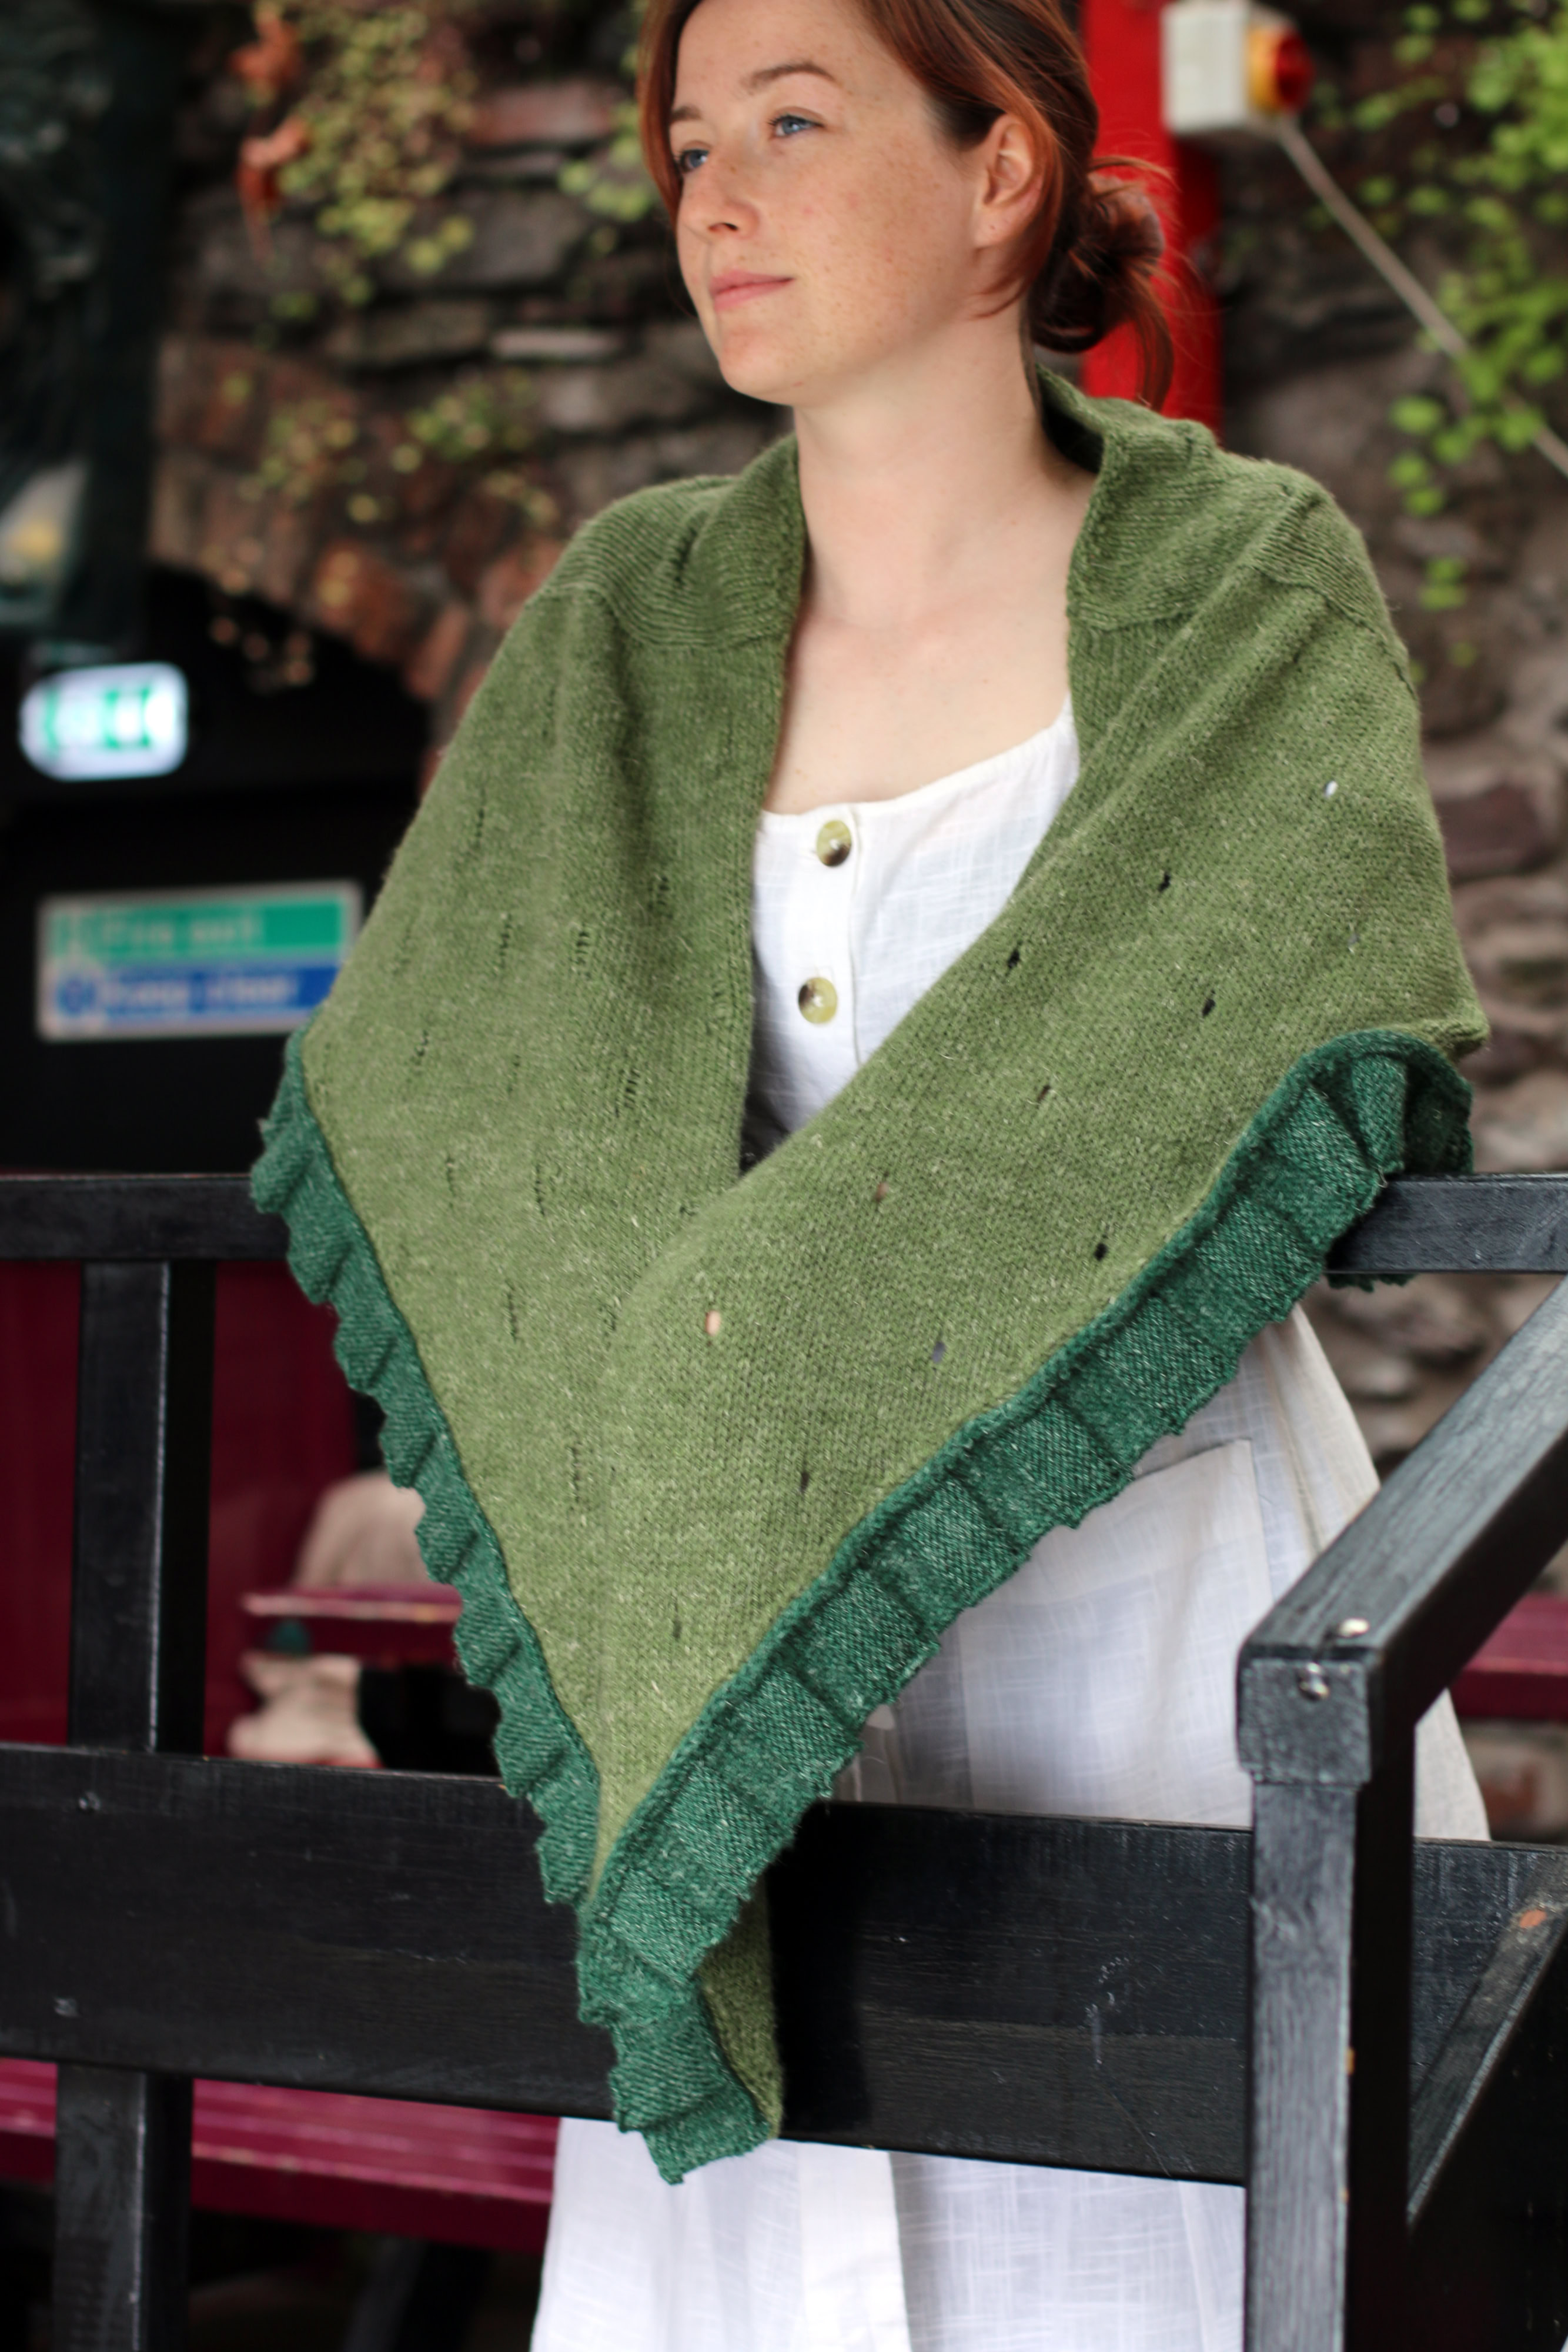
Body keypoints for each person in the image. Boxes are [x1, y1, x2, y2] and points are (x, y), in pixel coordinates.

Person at [252, 0, 1490, 2341]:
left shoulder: (1235, 578)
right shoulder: (625, 619)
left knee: (1147, 2266)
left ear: (1000, 168)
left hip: (1139, 1619)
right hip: (709, 1636)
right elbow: (456, 1078)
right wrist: (666, 1398)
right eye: (686, 143)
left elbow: (1177, 1047)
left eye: (793, 123)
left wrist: (725, 1346)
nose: (714, 197)